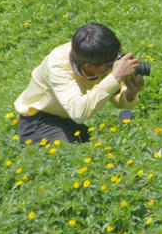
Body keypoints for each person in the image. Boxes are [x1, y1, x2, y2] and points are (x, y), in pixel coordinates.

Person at [14, 22, 144, 145]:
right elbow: (78, 113)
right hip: (39, 119)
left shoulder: (100, 56)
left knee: (94, 150)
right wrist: (115, 77)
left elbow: (115, 98)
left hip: (68, 120)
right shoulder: (57, 65)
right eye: (109, 66)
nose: (113, 67)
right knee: (67, 156)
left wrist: (130, 92)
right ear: (89, 66)